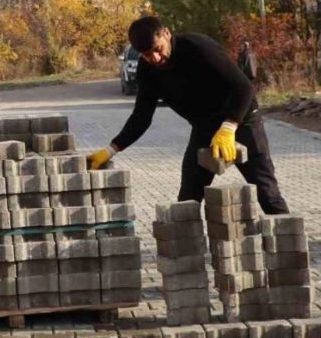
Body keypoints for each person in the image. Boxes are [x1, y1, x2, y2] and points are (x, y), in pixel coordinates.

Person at [87, 16, 289, 214]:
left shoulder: (198, 47)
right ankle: (188, 247)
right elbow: (141, 117)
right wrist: (111, 149)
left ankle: (290, 245)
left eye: (157, 49)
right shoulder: (148, 71)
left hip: (242, 121)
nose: (155, 59)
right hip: (205, 130)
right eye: (147, 55)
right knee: (187, 201)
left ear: (166, 33)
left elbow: (244, 88)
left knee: (267, 194)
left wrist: (228, 127)